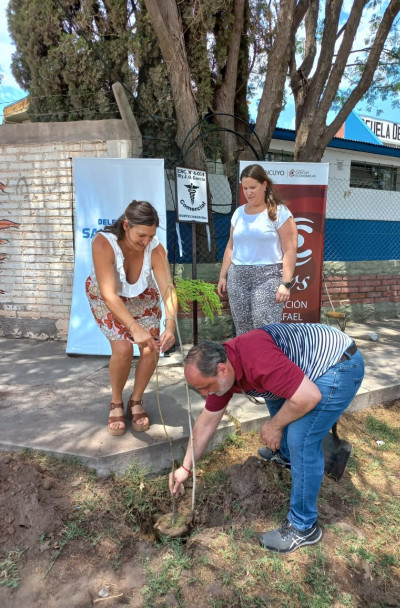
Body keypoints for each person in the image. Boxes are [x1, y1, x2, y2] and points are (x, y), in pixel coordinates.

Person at [169, 323, 364, 554]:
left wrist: (275, 425)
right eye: (198, 390)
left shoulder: (256, 360)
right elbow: (206, 423)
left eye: (205, 387)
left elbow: (308, 397)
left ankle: (304, 526)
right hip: (307, 366)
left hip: (339, 364)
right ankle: (290, 459)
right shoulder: (225, 372)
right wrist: (185, 468)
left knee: (301, 438)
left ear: (222, 370)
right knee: (272, 393)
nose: (204, 394)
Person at [86, 200, 177, 436]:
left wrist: (170, 323)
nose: (146, 241)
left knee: (151, 348)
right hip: (108, 298)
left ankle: (135, 400)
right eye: (141, 235)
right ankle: (116, 401)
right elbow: (108, 295)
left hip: (141, 297)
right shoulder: (103, 243)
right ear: (126, 225)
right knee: (124, 349)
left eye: (151, 236)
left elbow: (167, 288)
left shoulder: (155, 248)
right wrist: (134, 327)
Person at [217, 164, 298, 335]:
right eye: (245, 188)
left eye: (253, 187)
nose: (248, 192)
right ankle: (246, 362)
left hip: (268, 277)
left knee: (264, 328)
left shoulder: (279, 212)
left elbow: (290, 250)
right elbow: (231, 246)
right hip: (238, 277)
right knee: (242, 328)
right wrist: (223, 275)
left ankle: (266, 362)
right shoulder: (238, 213)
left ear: (265, 184)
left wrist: (285, 283)